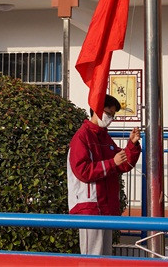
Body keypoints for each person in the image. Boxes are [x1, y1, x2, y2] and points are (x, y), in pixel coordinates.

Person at [67, 94, 141, 255]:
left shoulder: (104, 136)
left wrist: (132, 145)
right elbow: (83, 171)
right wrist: (111, 163)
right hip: (89, 206)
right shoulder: (81, 137)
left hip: (106, 205)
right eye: (109, 113)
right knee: (92, 257)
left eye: (113, 115)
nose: (110, 118)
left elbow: (122, 163)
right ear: (97, 110)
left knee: (105, 256)